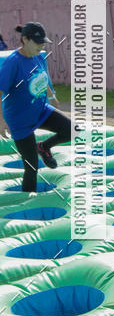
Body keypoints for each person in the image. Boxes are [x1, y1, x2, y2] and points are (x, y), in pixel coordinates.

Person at [0, 22, 71, 192]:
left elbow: (42, 76)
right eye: (38, 42)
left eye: (43, 41)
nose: (42, 45)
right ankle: (26, 204)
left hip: (41, 111)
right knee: (31, 168)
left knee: (71, 129)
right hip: (20, 121)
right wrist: (1, 121)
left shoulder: (38, 56)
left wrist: (51, 95)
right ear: (25, 39)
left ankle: (44, 146)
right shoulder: (13, 63)